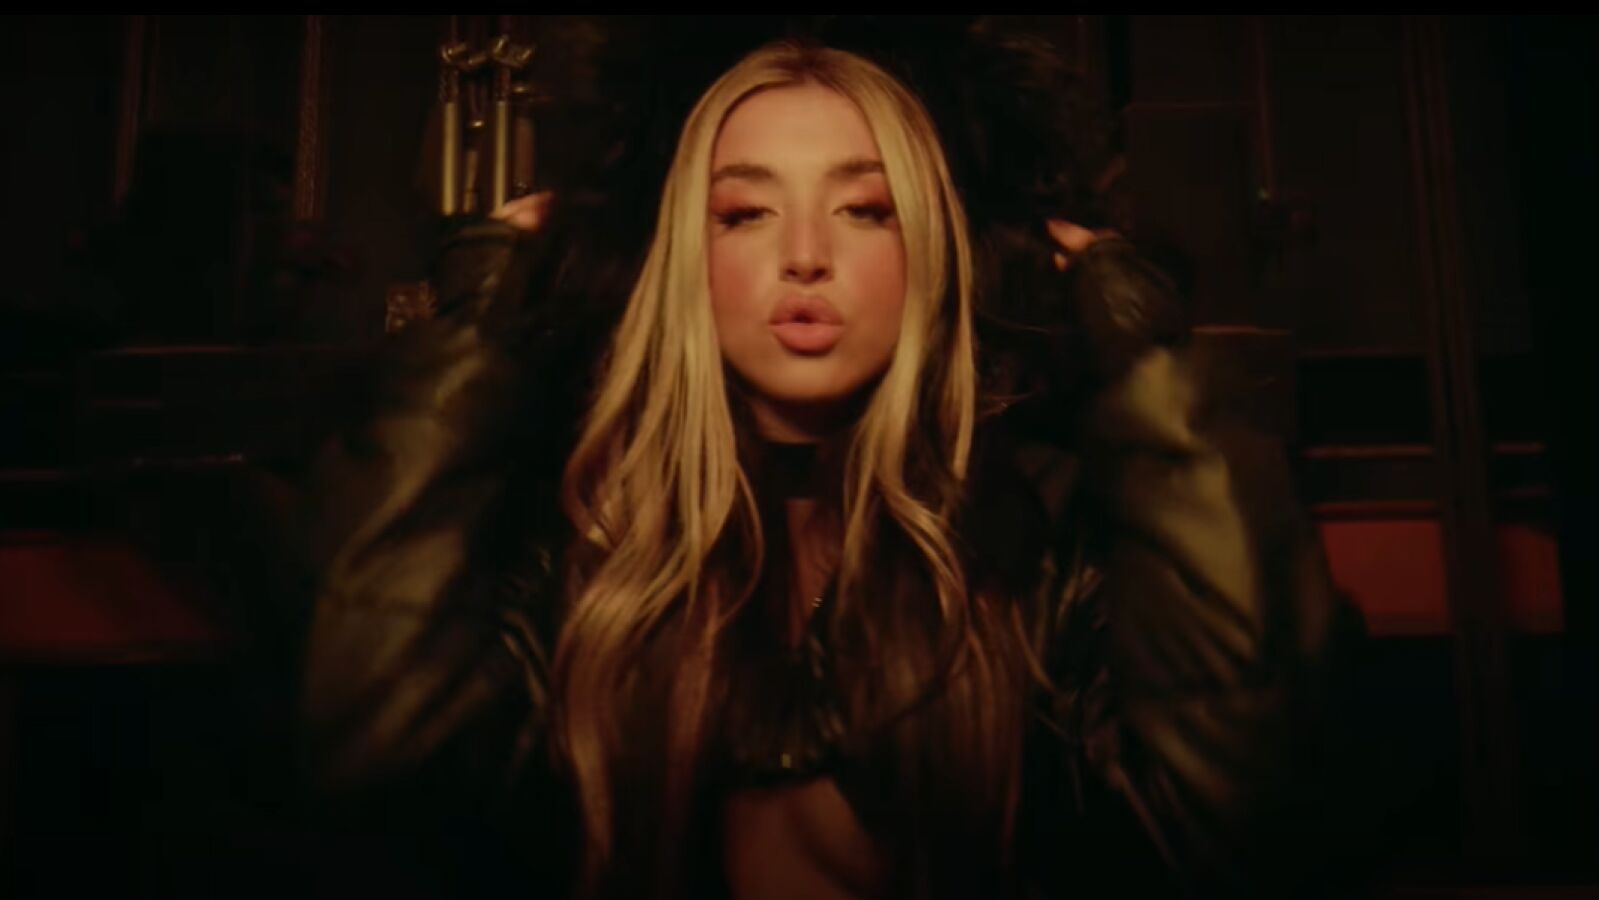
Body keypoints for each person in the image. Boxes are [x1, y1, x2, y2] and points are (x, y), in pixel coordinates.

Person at [299, 36, 1369, 900]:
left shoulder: (1033, 546)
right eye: (745, 212)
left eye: (865, 209)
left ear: (931, 252)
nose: (804, 254)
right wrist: (471, 341)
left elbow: (1232, 817)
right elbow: (373, 767)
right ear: (683, 261)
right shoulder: (579, 554)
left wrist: (1150, 372)